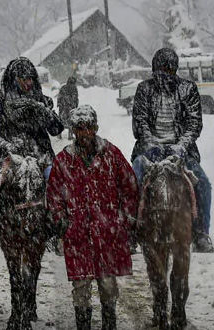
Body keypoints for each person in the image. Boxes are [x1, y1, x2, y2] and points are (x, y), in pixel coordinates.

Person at [47, 105, 139, 330]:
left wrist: (124, 218)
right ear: (73, 131)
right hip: (77, 236)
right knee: (81, 289)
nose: (84, 133)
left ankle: (110, 325)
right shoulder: (63, 160)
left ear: (96, 128)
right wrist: (62, 222)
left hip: (108, 233)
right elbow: (54, 195)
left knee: (108, 286)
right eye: (79, 128)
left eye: (88, 128)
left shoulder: (112, 154)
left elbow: (130, 186)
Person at [0, 57, 63, 255]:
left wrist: (44, 111)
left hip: (40, 156)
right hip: (5, 158)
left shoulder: (43, 101)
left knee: (57, 182)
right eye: (23, 78)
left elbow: (57, 129)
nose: (28, 83)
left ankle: (59, 232)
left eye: (31, 78)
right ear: (14, 79)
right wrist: (7, 147)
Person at [131, 47, 214, 253]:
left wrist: (180, 147)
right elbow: (139, 122)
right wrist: (153, 145)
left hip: (182, 152)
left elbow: (194, 123)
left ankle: (201, 232)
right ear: (154, 69)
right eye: (161, 69)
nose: (165, 74)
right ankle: (130, 232)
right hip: (149, 150)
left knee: (202, 183)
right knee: (132, 180)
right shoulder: (144, 89)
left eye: (169, 70)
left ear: (175, 70)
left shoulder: (188, 89)